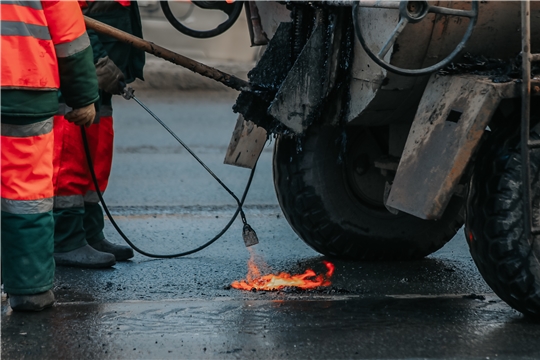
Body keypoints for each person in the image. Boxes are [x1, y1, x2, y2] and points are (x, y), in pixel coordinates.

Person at [1, 0, 99, 311]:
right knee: (25, 195)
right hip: (25, 87)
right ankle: (30, 289)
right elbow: (69, 35)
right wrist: (82, 96)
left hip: (26, 88)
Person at [52, 0, 145, 268]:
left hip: (104, 75)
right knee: (71, 154)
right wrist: (96, 61)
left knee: (96, 156)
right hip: (80, 73)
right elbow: (68, 16)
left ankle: (89, 232)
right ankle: (65, 239)